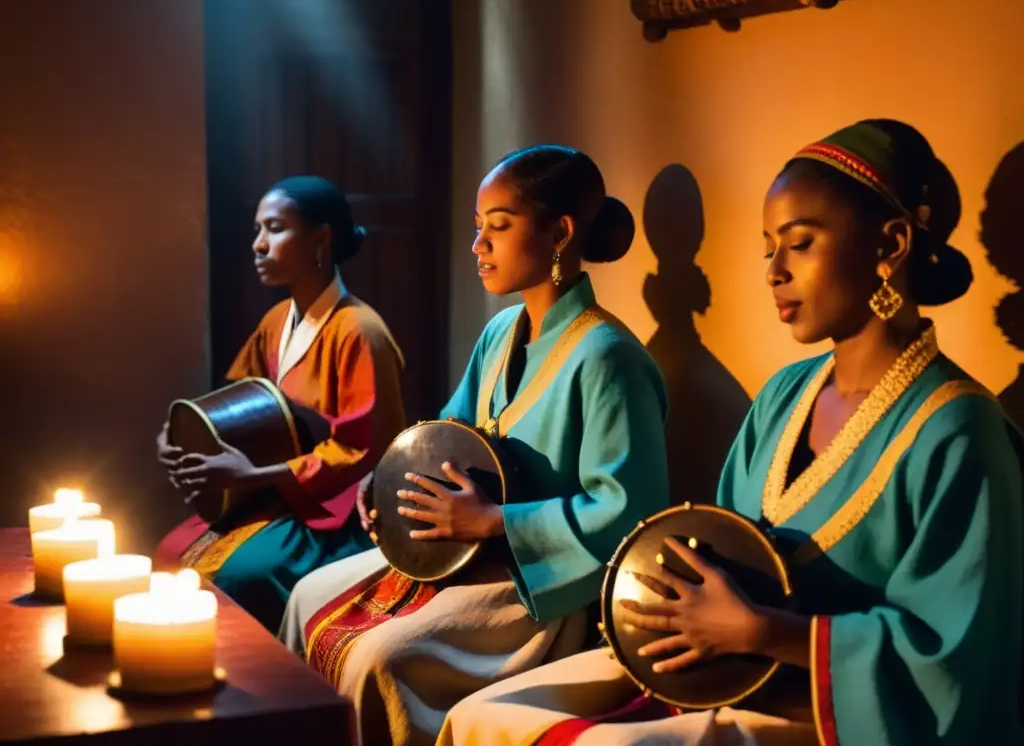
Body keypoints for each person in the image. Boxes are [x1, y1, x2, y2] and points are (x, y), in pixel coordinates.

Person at [438, 120, 1024, 745]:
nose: (773, 270)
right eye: (768, 246)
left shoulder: (960, 431)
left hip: (836, 709)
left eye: (799, 244)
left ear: (891, 246)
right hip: (723, 665)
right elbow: (718, 543)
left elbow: (958, 659)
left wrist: (763, 632)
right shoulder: (783, 395)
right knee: (481, 717)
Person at [279, 145, 671, 745]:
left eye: (499, 226)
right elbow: (446, 437)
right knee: (307, 595)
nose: (477, 245)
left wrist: (496, 521)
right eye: (477, 227)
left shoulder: (610, 360)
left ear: (560, 233)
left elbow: (630, 511)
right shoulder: (499, 333)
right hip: (463, 551)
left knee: (376, 658)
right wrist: (385, 480)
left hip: (540, 584)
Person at [154, 176, 407, 632]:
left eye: (274, 229)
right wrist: (177, 437)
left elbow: (362, 450)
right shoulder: (276, 321)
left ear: (320, 240)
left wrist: (256, 475)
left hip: (338, 508)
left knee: (233, 575)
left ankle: (267, 688)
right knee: (172, 552)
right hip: (277, 491)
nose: (258, 244)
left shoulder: (359, 331)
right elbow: (232, 404)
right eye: (257, 230)